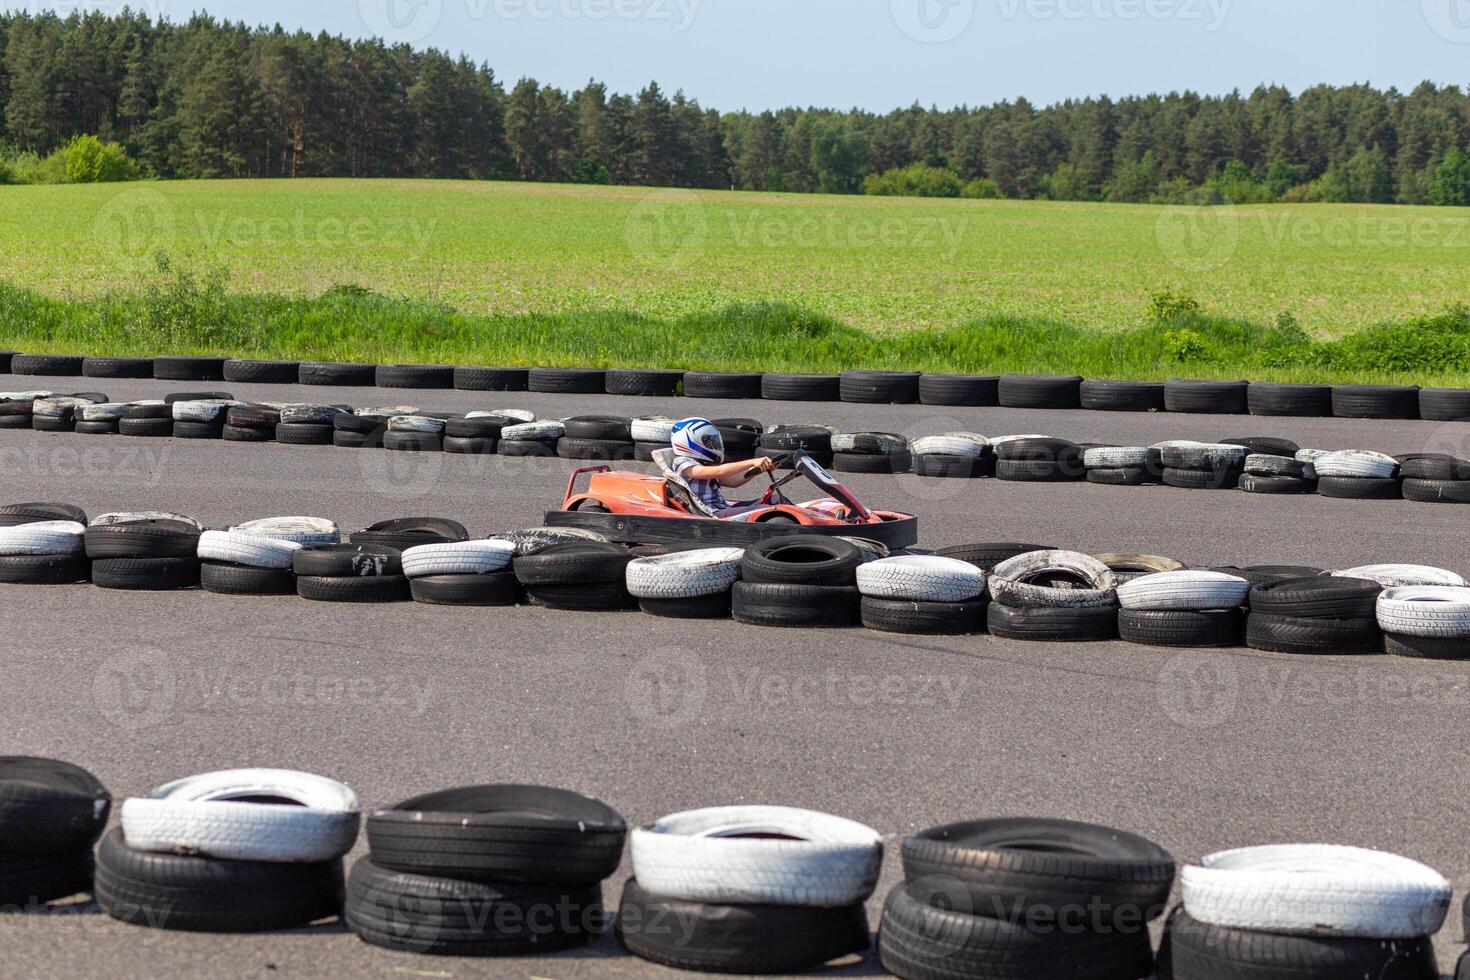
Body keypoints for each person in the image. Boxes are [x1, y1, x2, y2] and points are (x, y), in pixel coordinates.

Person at [669, 417, 777, 516]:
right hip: (710, 513)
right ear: (690, 441)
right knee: (766, 510)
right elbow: (717, 471)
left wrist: (759, 469)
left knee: (775, 500)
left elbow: (732, 482)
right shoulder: (682, 463)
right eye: (708, 442)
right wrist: (752, 462)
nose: (712, 445)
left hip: (722, 507)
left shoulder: (706, 464)